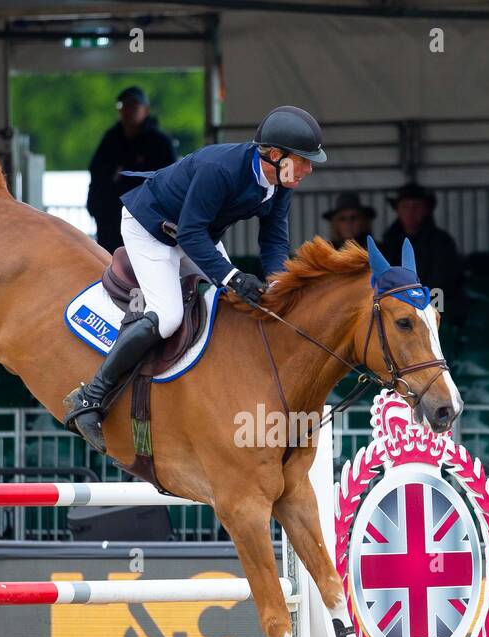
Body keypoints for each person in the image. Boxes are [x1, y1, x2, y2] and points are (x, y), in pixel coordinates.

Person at [65, 105, 327, 453]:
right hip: (152, 229)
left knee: (239, 302)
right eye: (304, 160)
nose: (309, 168)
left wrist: (278, 283)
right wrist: (232, 276)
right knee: (168, 315)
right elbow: (189, 233)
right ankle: (89, 397)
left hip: (194, 232)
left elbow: (274, 240)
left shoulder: (281, 182)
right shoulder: (220, 169)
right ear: (276, 155)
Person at [86, 87, 178, 252]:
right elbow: (97, 174)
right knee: (111, 263)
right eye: (124, 107)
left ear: (146, 110)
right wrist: (94, 206)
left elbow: (170, 180)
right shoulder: (111, 139)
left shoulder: (160, 143)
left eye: (133, 107)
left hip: (148, 219)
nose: (128, 112)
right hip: (111, 218)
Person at [379, 182, 467, 328]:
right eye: (405, 206)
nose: (410, 212)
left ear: (426, 209)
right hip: (396, 307)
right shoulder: (389, 241)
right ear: (398, 210)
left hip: (434, 305)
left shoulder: (441, 241)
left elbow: (442, 282)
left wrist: (415, 301)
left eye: (416, 207)